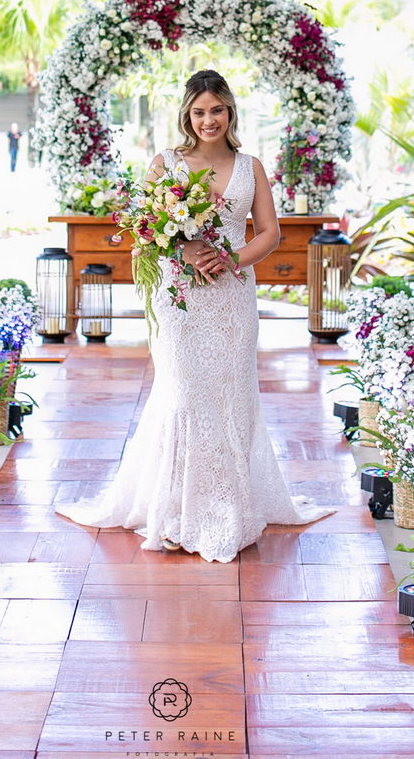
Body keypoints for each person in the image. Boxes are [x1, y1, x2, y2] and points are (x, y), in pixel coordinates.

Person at [55, 68, 332, 563]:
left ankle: (227, 507)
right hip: (180, 298)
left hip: (232, 299)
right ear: (187, 114)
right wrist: (184, 251)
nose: (209, 120)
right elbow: (144, 229)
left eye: (217, 110)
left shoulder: (251, 167)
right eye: (200, 111)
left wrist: (232, 258)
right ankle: (177, 509)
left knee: (230, 396)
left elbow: (270, 232)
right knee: (184, 393)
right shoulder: (166, 164)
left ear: (230, 113)